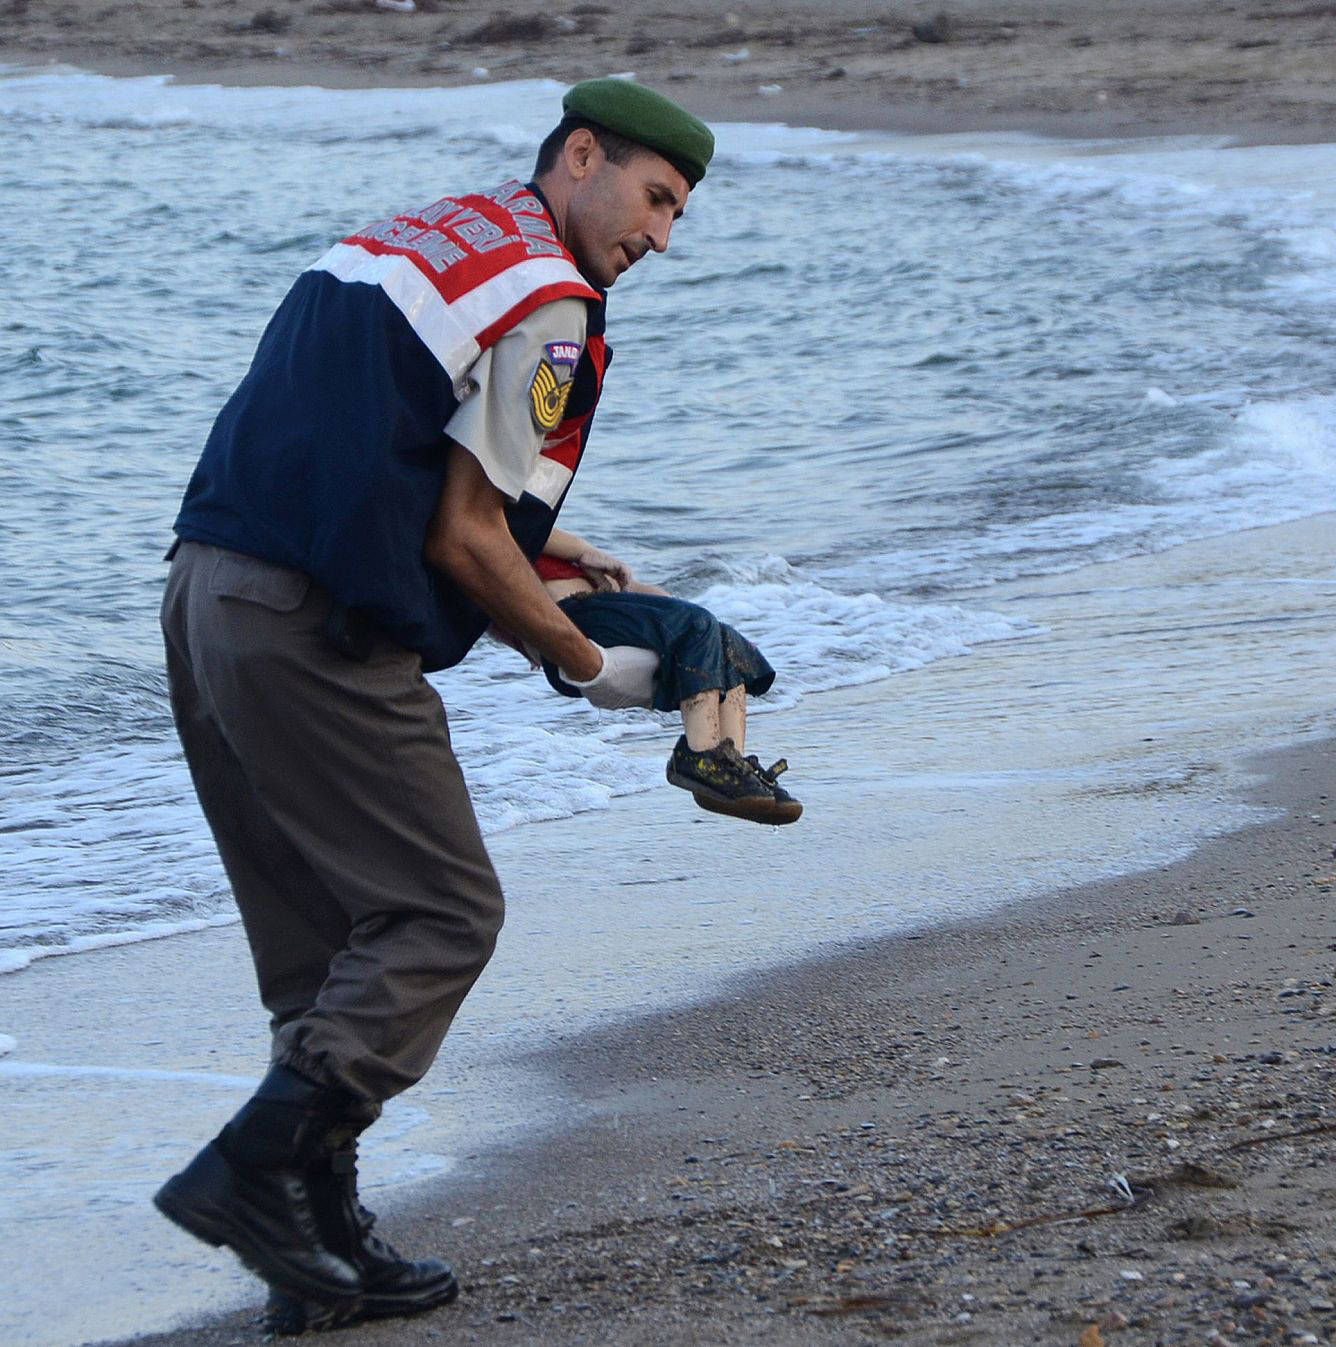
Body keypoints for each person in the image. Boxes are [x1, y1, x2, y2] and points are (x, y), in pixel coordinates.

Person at [153, 78, 717, 1333]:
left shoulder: (424, 232)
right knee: (440, 914)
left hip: (206, 597)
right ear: (582, 155)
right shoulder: (554, 306)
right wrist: (582, 661)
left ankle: (314, 1257)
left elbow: (372, 446)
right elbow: (465, 540)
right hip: (315, 632)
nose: (661, 239)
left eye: (679, 215)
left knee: (319, 949)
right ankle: (250, 1172)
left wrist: (560, 557)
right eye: (656, 198)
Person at [527, 526, 802, 824]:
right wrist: (582, 550)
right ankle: (700, 758)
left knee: (722, 639)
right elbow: (522, 526)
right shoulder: (517, 529)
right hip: (570, 615)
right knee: (698, 623)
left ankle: (729, 766)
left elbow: (638, 595)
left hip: (604, 609)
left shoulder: (562, 552)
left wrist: (661, 603)